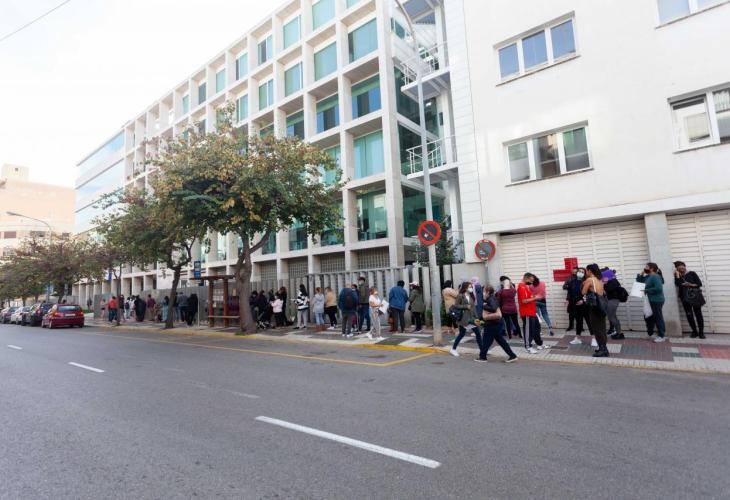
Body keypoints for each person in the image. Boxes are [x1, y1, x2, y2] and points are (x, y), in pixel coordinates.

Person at [476, 286, 518, 363]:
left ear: (488, 292)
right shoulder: (490, 298)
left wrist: (484, 306)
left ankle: (482, 357)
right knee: (501, 341)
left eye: (484, 291)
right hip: (495, 323)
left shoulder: (491, 298)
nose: (483, 293)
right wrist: (480, 319)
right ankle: (512, 355)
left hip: (492, 324)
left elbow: (493, 308)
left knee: (486, 340)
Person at [450, 281, 482, 357]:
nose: (471, 288)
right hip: (464, 319)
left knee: (478, 333)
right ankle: (453, 349)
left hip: (472, 318)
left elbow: (473, 308)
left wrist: (477, 317)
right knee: (461, 334)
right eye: (469, 287)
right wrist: (465, 306)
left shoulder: (471, 295)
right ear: (465, 288)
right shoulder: (460, 295)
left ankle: (482, 350)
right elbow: (456, 306)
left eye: (471, 287)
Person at [674, 261, 705, 339]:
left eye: (682, 267)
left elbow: (699, 284)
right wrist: (677, 275)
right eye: (679, 268)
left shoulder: (692, 273)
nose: (682, 269)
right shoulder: (678, 276)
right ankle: (694, 332)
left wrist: (690, 284)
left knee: (698, 314)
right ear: (677, 269)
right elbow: (678, 284)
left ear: (685, 267)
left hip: (695, 297)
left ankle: (701, 333)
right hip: (684, 298)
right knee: (689, 315)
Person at [583, 264, 609, 357]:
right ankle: (603, 347)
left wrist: (584, 284)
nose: (586, 272)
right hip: (602, 306)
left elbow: (583, 292)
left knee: (596, 328)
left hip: (594, 306)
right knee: (602, 327)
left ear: (590, 271)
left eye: (586, 270)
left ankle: (603, 350)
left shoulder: (590, 280)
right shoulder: (600, 280)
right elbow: (603, 292)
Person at [636, 262, 666, 342]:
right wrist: (641, 273)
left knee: (657, 317)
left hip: (656, 300)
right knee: (648, 317)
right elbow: (639, 281)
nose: (645, 268)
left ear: (652, 269)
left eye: (646, 267)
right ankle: (650, 334)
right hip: (649, 300)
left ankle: (661, 336)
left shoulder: (655, 276)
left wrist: (646, 290)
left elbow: (659, 289)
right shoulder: (648, 277)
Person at [518, 273, 547, 354]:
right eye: (531, 280)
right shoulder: (521, 287)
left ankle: (539, 344)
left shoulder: (526, 287)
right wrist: (535, 297)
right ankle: (528, 347)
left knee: (537, 327)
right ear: (526, 278)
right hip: (527, 312)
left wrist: (534, 296)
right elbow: (524, 301)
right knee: (529, 330)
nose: (531, 282)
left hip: (532, 311)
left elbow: (529, 298)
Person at [602, 268, 627, 340]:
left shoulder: (613, 281)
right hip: (611, 300)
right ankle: (618, 332)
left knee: (611, 317)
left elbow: (609, 289)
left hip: (613, 300)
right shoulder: (612, 281)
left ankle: (619, 333)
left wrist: (604, 284)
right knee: (613, 317)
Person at [568, 268, 590, 345]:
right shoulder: (572, 281)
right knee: (578, 322)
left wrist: (583, 300)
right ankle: (577, 338)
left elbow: (589, 293)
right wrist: (568, 300)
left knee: (589, 321)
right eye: (579, 271)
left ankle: (594, 338)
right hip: (576, 304)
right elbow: (570, 292)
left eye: (582, 272)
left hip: (585, 304)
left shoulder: (586, 281)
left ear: (585, 274)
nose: (580, 273)